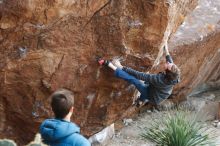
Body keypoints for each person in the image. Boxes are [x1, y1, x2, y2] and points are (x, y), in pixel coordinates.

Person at [98, 44, 180, 107]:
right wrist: (166, 48)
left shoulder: (159, 79)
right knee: (146, 85)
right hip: (158, 91)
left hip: (153, 97)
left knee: (135, 80)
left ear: (167, 71)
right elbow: (171, 62)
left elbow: (139, 75)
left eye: (168, 64)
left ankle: (109, 65)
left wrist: (121, 67)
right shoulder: (175, 74)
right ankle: (140, 101)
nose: (168, 63)